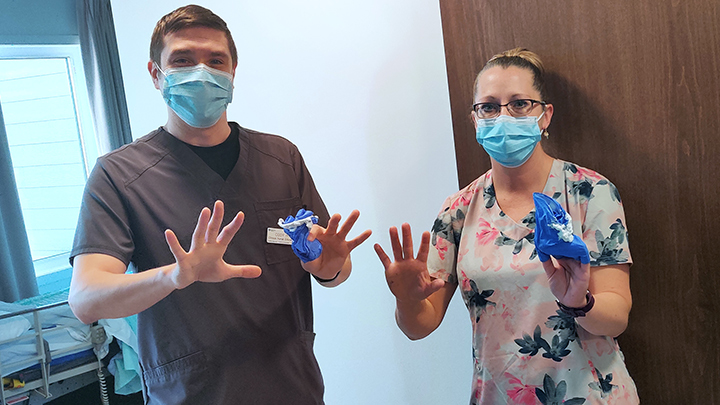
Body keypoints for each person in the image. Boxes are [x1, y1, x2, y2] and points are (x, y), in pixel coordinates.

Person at [68, 5, 371, 404]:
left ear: (232, 72)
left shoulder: (281, 159)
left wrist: (329, 266)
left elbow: (333, 268)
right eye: (182, 60)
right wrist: (174, 277)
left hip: (292, 387)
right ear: (156, 75)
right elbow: (86, 299)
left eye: (216, 61)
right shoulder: (119, 176)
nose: (201, 72)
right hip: (191, 393)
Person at [374, 48, 639, 404]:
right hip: (499, 395)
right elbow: (420, 325)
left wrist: (581, 303)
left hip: (591, 395)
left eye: (519, 104)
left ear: (545, 116)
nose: (503, 116)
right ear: (475, 120)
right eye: (489, 107)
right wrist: (406, 300)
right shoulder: (458, 210)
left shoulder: (590, 192)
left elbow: (617, 316)